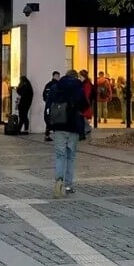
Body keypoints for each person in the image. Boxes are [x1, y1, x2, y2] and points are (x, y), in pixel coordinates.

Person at [47, 70, 90, 198]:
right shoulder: (78, 88)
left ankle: (58, 182)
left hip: (59, 126)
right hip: (74, 126)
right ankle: (68, 185)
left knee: (60, 156)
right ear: (76, 77)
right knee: (70, 157)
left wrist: (50, 124)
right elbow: (85, 106)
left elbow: (48, 106)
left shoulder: (55, 87)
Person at [42, 71, 60, 142]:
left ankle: (47, 135)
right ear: (56, 76)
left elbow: (44, 95)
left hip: (48, 106)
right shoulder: (58, 86)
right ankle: (58, 136)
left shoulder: (48, 85)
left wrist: (47, 102)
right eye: (58, 76)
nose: (59, 78)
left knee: (48, 119)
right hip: (55, 106)